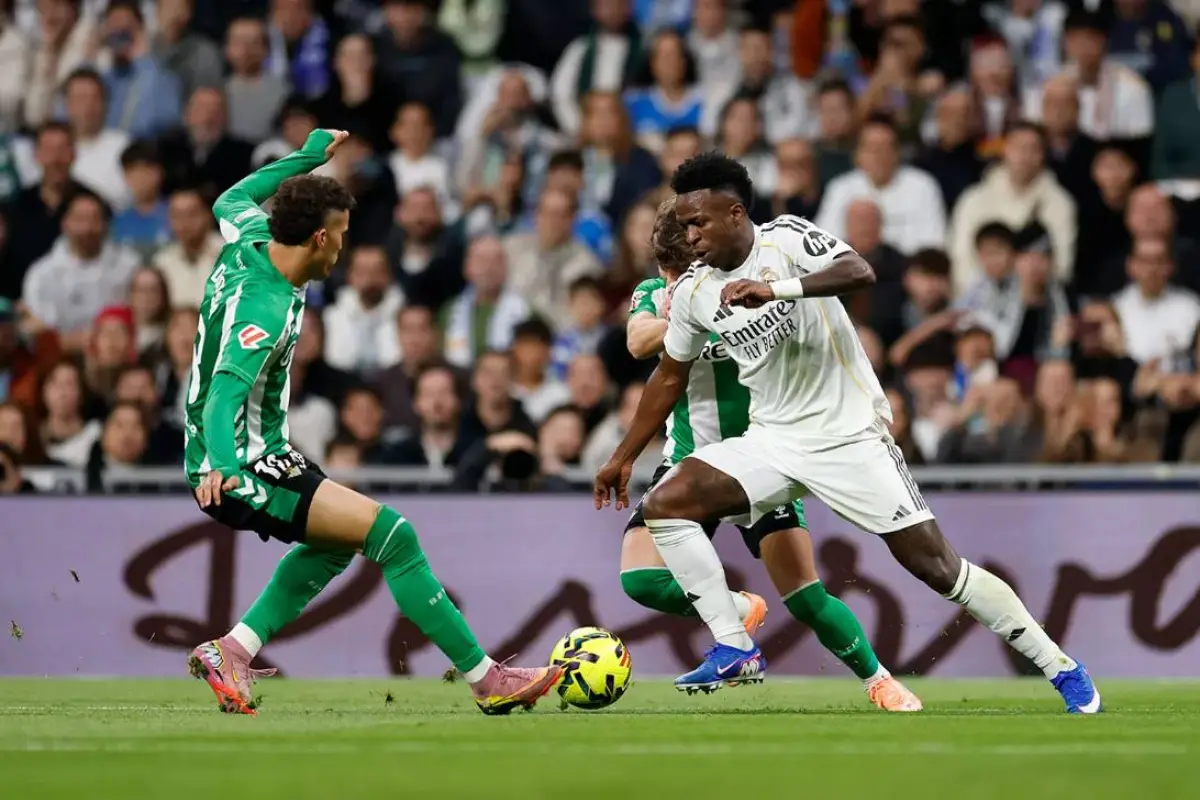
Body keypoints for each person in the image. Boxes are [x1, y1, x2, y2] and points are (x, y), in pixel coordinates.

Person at [593, 152, 1100, 713]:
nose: (690, 236)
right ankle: (735, 644)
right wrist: (622, 457)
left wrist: (779, 290)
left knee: (939, 569)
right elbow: (667, 374)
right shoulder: (693, 292)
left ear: (735, 213)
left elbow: (860, 271)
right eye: (683, 225)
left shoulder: (785, 239)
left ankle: (1061, 666)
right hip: (772, 438)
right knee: (666, 504)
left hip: (849, 435)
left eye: (699, 222)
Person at [184, 128, 561, 717]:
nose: (343, 248)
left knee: (339, 546)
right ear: (317, 238)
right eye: (340, 236)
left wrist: (308, 158)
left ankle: (232, 649)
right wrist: (224, 467)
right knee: (394, 535)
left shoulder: (249, 235)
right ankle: (487, 680)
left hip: (260, 450)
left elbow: (230, 197)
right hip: (241, 462)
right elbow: (224, 393)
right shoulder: (265, 304)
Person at [620, 200, 920, 711]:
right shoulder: (656, 294)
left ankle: (878, 679)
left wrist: (713, 311)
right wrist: (681, 313)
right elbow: (637, 342)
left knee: (806, 597)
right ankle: (737, 610)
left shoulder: (737, 286)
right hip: (691, 457)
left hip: (763, 454)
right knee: (641, 580)